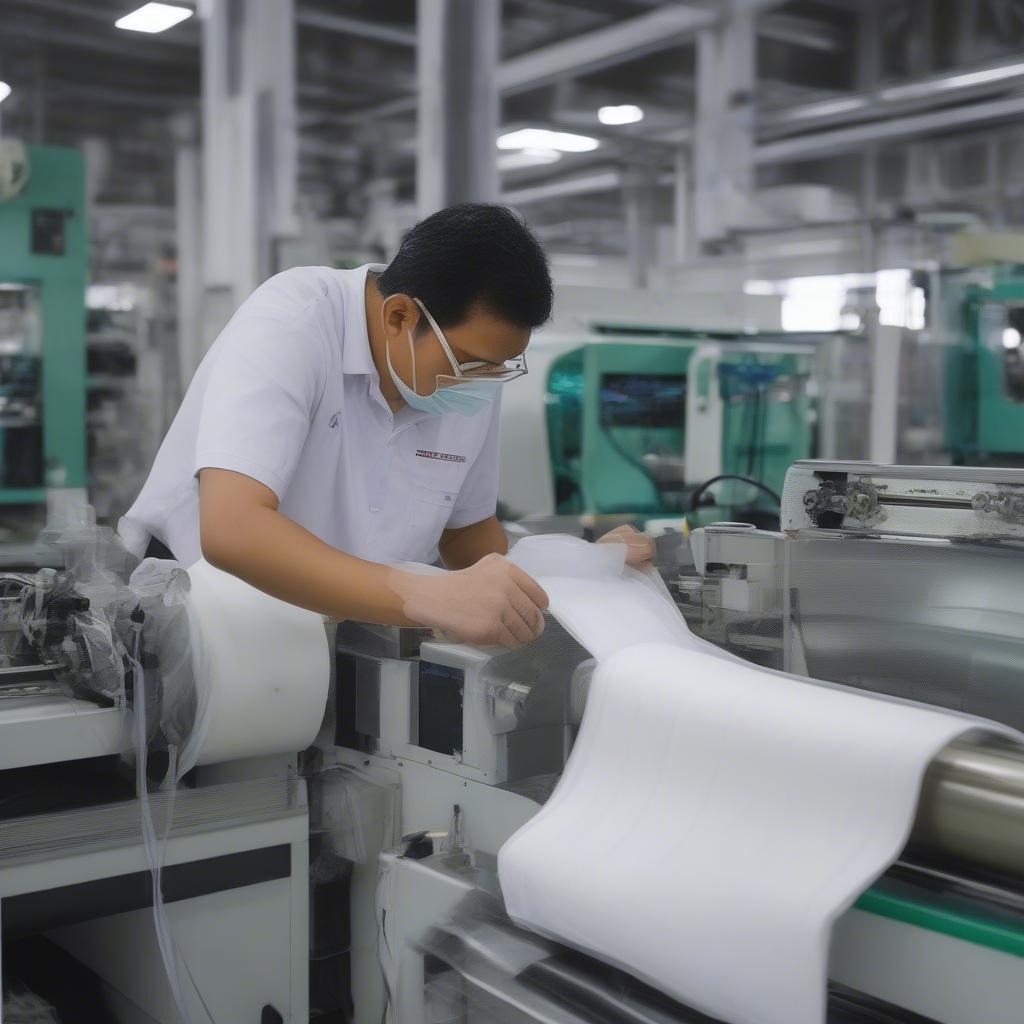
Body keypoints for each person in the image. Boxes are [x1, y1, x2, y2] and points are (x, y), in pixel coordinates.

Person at [120, 203, 652, 648]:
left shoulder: (466, 372)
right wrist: (427, 596)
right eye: (471, 364)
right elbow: (233, 531)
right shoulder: (293, 323)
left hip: (350, 637)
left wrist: (581, 570)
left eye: (501, 367)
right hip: (213, 631)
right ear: (400, 317)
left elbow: (467, 537)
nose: (485, 383)